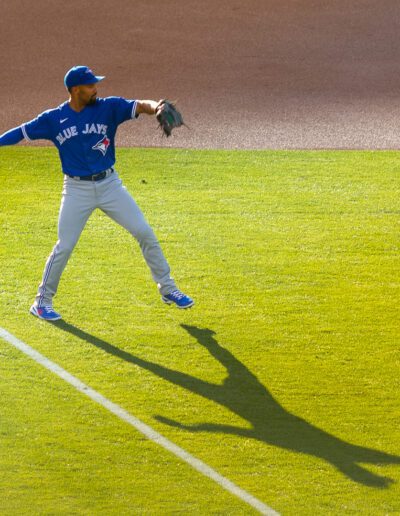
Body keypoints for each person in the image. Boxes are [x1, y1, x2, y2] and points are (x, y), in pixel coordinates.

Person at [0, 65, 194, 321]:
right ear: (75, 89)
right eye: (91, 85)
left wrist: (157, 106)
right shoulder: (53, 118)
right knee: (65, 246)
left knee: (144, 232)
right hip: (76, 189)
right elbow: (20, 133)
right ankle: (41, 302)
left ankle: (168, 289)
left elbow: (140, 105)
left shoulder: (108, 107)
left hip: (109, 185)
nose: (96, 88)